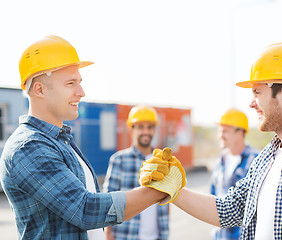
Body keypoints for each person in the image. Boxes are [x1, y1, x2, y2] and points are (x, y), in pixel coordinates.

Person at [141, 42, 282, 239]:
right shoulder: (266, 158)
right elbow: (227, 211)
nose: (251, 104)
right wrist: (173, 188)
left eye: (257, 92)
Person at [0, 35, 179, 239]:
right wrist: (160, 189)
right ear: (39, 89)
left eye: (80, 82)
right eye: (70, 83)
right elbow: (85, 210)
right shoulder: (28, 147)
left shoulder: (60, 141)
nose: (81, 92)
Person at [103, 105, 169, 240]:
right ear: (131, 129)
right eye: (140, 127)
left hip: (156, 236)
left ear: (154, 130)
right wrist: (108, 233)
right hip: (125, 235)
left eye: (149, 127)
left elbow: (167, 200)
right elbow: (108, 200)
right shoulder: (119, 160)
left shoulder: (163, 162)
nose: (146, 131)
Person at [210, 108, 259, 240]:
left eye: (225, 131)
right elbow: (213, 196)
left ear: (240, 132)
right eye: (220, 131)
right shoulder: (220, 160)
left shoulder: (257, 160)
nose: (220, 135)